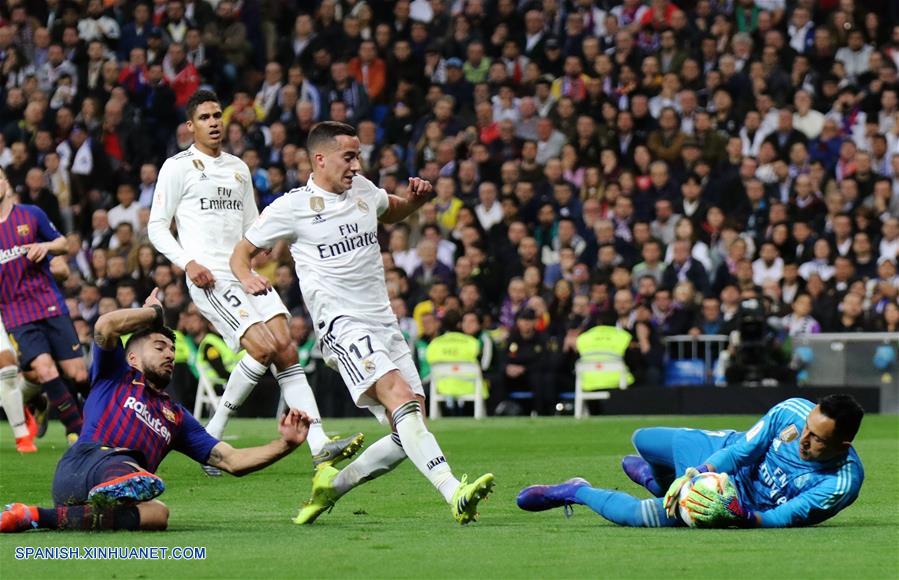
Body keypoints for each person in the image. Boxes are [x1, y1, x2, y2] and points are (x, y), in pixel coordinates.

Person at [231, 121, 495, 525]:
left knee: (407, 425)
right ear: (320, 159)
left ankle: (331, 488)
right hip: (342, 325)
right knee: (399, 397)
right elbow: (241, 253)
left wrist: (416, 200)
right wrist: (247, 275)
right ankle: (453, 491)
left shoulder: (364, 191)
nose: (356, 164)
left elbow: (394, 211)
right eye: (348, 157)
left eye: (358, 156)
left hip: (383, 322)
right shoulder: (292, 207)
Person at [147, 90, 362, 476]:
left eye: (217, 115)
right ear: (190, 126)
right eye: (206, 117)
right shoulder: (177, 167)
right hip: (209, 276)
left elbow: (252, 223)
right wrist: (188, 261)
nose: (214, 122)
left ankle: (319, 444)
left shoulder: (237, 168)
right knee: (261, 347)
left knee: (284, 348)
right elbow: (157, 226)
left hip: (243, 272)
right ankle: (212, 440)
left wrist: (261, 249)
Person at [0, 292, 313, 532]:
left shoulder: (176, 416)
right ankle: (122, 479)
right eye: (160, 347)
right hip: (83, 462)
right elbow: (105, 325)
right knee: (128, 463)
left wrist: (285, 444)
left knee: (158, 514)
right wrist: (152, 314)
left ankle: (35, 515)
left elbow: (231, 461)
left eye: (172, 350)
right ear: (133, 357)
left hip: (77, 497)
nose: (170, 355)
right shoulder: (114, 374)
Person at [518, 395, 864, 528]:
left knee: (633, 516)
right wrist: (700, 472)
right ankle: (661, 482)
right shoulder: (791, 411)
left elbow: (783, 517)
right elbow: (739, 452)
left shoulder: (842, 481)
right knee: (643, 439)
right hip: (722, 461)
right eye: (807, 429)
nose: (804, 439)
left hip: (734, 504)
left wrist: (737, 515)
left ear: (843, 444)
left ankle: (575, 491)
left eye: (818, 439)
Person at [0, 166, 85, 445]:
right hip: (16, 313)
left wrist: (45, 248)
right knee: (45, 369)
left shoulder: (31, 215)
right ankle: (79, 432)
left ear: (6, 182)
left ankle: (51, 405)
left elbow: (62, 242)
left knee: (79, 374)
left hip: (49, 304)